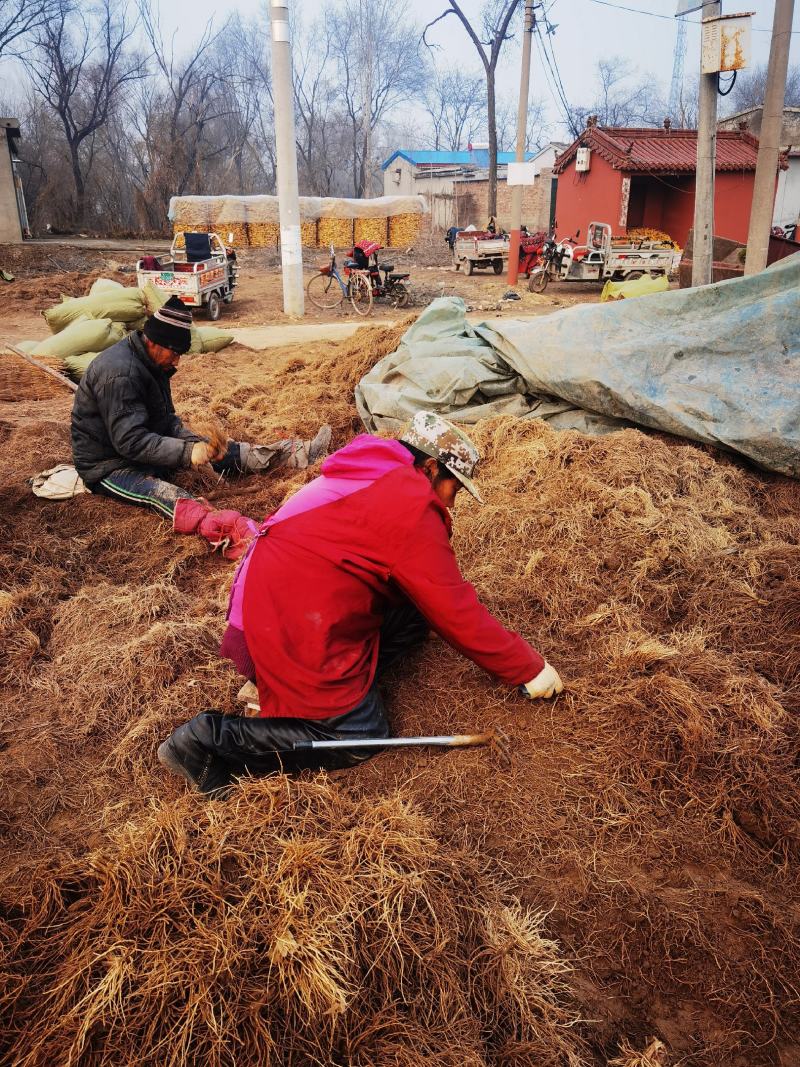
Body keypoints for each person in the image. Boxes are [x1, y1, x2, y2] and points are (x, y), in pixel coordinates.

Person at [158, 411, 563, 794]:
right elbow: (454, 608)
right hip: (287, 617)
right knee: (358, 735)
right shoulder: (409, 506)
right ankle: (204, 740)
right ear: (430, 469)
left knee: (412, 616)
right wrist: (527, 668)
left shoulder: (380, 471)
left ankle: (336, 684)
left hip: (283, 595)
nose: (452, 502)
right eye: (453, 488)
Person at [71, 296, 331, 560]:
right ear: (156, 343)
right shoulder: (120, 374)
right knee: (169, 496)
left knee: (218, 451)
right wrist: (186, 452)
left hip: (144, 448)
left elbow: (166, 420)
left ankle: (295, 453)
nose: (177, 362)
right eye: (175, 354)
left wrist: (197, 444)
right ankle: (238, 535)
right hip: (111, 466)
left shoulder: (153, 363)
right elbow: (130, 442)